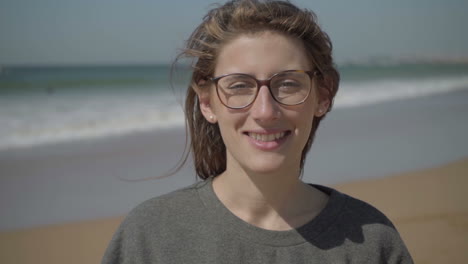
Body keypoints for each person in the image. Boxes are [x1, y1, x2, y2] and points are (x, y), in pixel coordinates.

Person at [102, 0, 413, 263]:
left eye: (288, 83)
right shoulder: (150, 236)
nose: (265, 111)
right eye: (239, 85)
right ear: (208, 103)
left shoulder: (373, 242)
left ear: (323, 96)